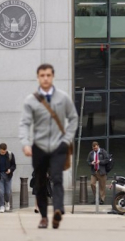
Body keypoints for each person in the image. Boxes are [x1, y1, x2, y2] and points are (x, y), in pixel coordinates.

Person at [19, 64, 78, 230]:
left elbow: (73, 118)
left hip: (59, 145)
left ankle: (58, 209)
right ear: (38, 77)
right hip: (39, 146)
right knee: (40, 183)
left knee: (57, 178)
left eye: (48, 75)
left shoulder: (63, 97)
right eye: (42, 75)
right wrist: (25, 143)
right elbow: (24, 123)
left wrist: (67, 139)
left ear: (52, 77)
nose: (45, 78)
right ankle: (44, 217)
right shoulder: (31, 100)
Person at [0, 143, 17, 213]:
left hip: (8, 176)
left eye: (4, 151)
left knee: (7, 192)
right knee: (1, 192)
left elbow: (14, 165)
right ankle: (2, 206)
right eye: (2, 152)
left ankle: (7, 202)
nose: (3, 153)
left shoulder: (10, 155)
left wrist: (10, 170)